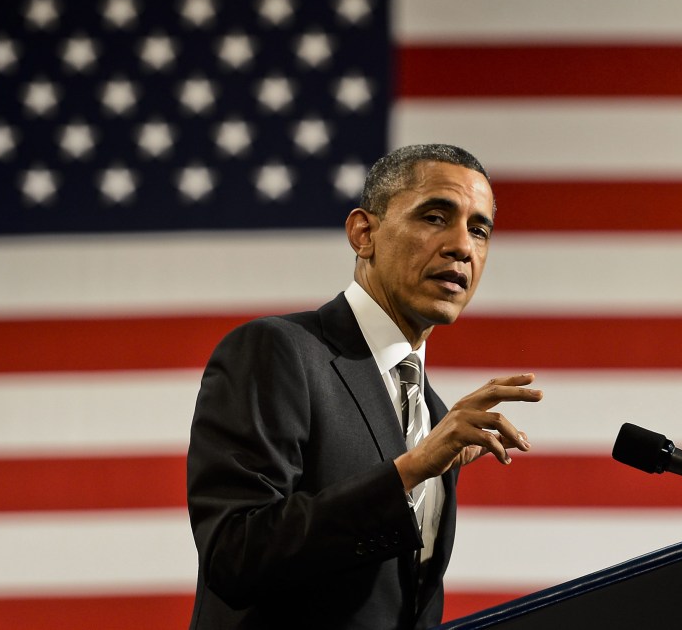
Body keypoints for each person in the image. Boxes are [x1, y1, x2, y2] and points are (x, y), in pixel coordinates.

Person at [187, 144, 543, 629]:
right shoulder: (280, 351)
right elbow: (235, 555)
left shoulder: (433, 416)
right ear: (364, 233)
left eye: (479, 230)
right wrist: (408, 471)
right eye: (436, 217)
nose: (462, 245)